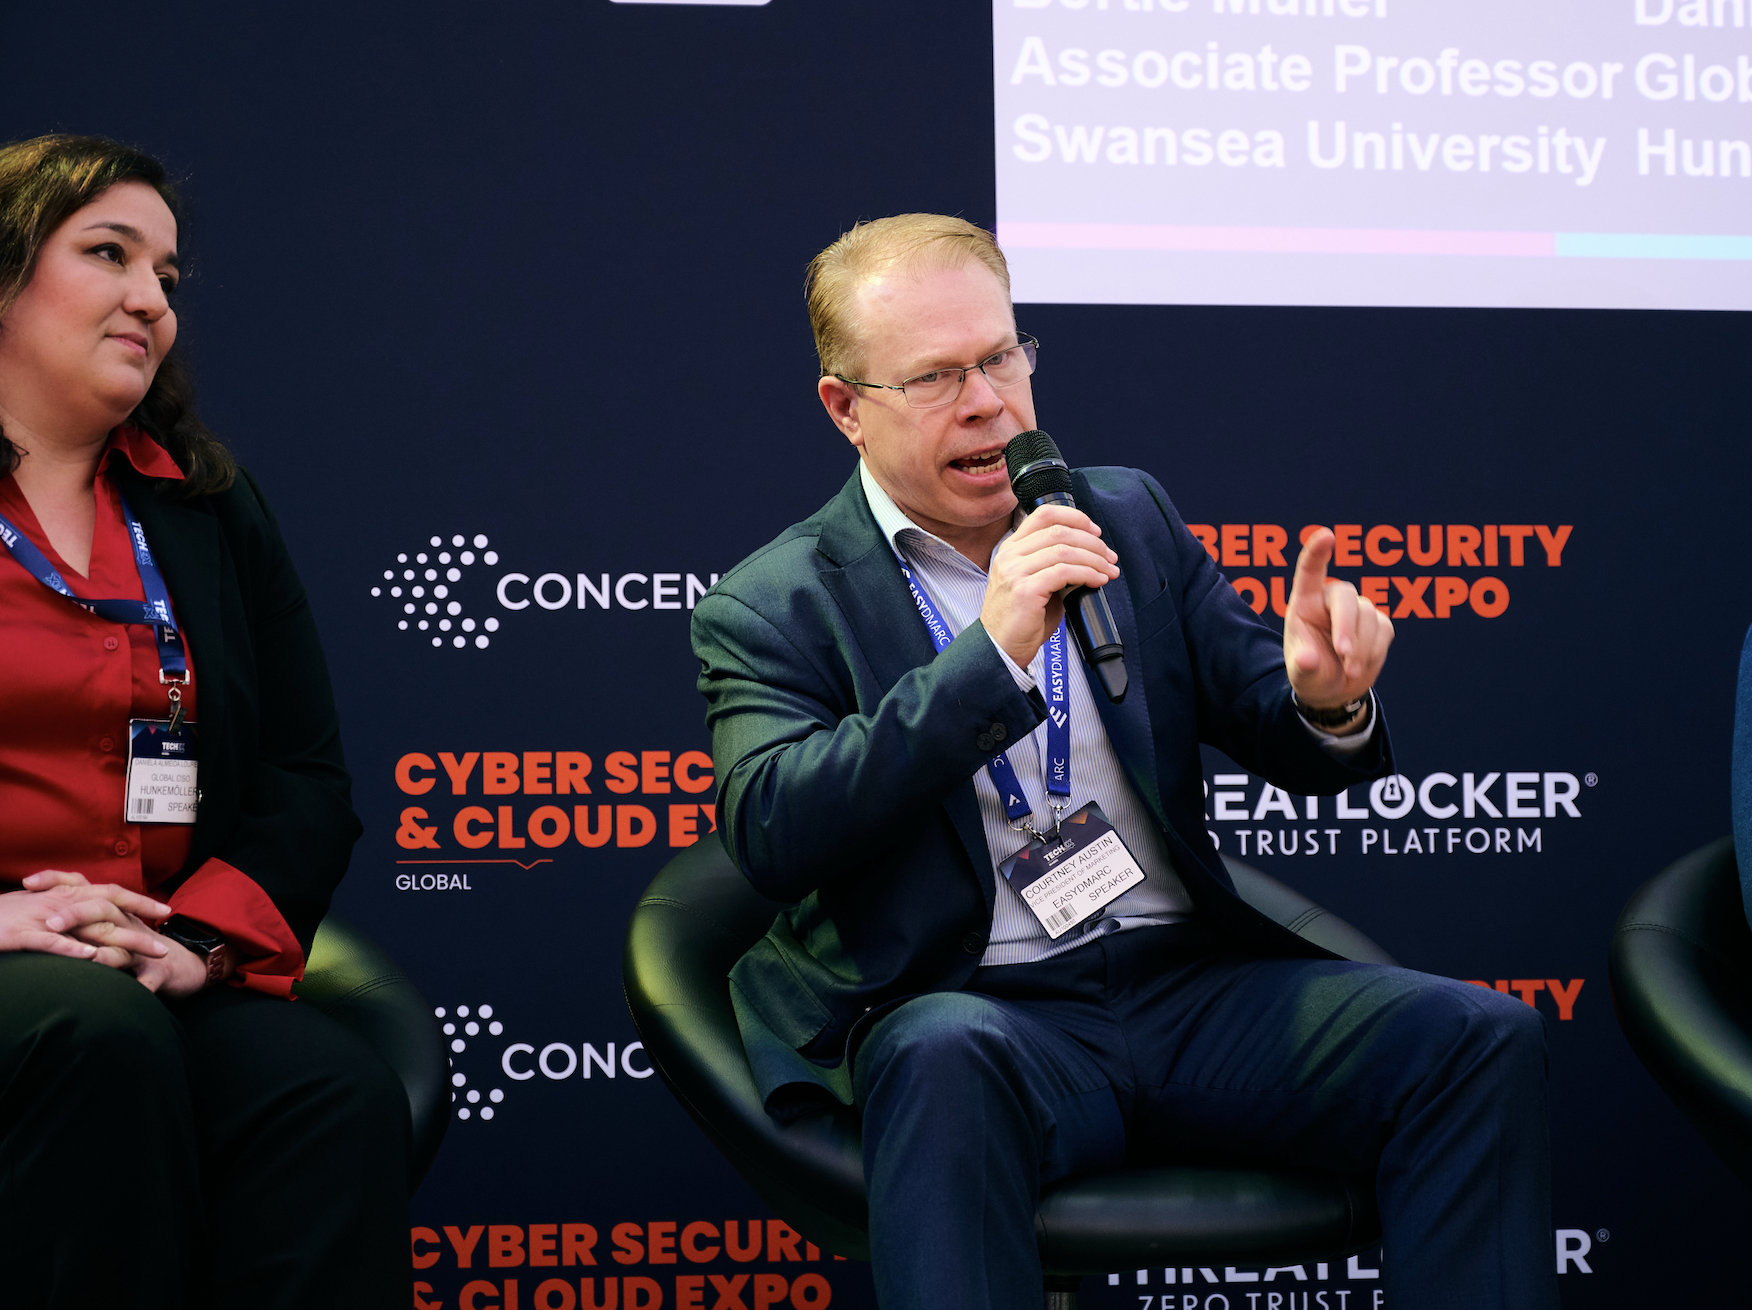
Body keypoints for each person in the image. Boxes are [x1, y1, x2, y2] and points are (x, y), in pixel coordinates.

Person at [692, 214, 1557, 1309]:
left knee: (1477, 1039)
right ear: (845, 408)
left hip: (1186, 990)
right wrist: (989, 656)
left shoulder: (1123, 515)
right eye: (936, 377)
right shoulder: (773, 603)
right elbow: (775, 828)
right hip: (978, 1006)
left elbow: (1268, 715)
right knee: (940, 1053)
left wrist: (1325, 702)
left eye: (1002, 356)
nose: (987, 403)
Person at [0, 134, 406, 1308]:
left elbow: (303, 774)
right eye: (109, 253)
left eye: (166, 277)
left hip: (152, 950)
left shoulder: (205, 504)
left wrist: (192, 938)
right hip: (24, 968)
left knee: (331, 1093)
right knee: (92, 1033)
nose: (150, 299)